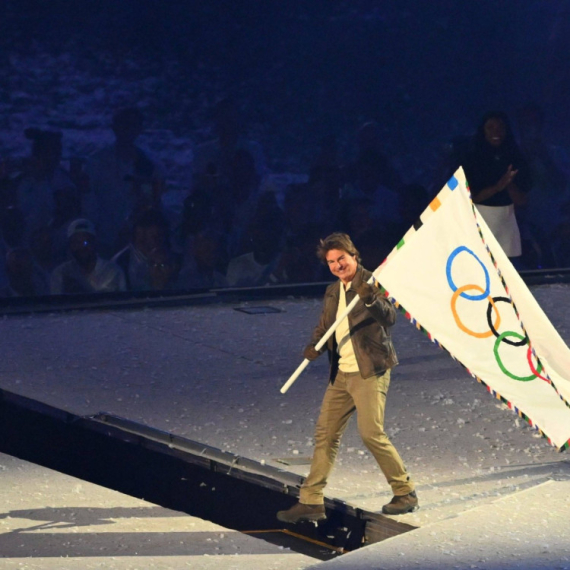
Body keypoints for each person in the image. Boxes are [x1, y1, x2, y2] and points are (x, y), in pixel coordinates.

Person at [277, 233, 417, 523]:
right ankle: (311, 500)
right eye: (331, 261)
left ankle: (404, 492)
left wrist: (369, 300)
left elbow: (389, 318)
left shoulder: (373, 283)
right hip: (341, 372)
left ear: (354, 256)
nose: (338, 265)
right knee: (325, 434)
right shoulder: (332, 291)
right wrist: (314, 346)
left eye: (342, 258)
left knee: (371, 433)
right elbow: (325, 325)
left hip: (369, 370)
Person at [463, 111, 531, 264]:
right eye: (490, 128)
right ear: (483, 131)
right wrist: (497, 186)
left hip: (508, 221)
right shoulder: (472, 159)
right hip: (479, 220)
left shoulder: (516, 157)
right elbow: (470, 197)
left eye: (501, 128)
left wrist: (508, 184)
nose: (496, 132)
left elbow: (523, 200)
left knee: (507, 271)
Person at [50, 218, 126, 295]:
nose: (81, 247)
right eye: (76, 242)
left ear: (94, 242)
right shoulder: (60, 274)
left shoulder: (113, 272)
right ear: (70, 246)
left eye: (86, 242)